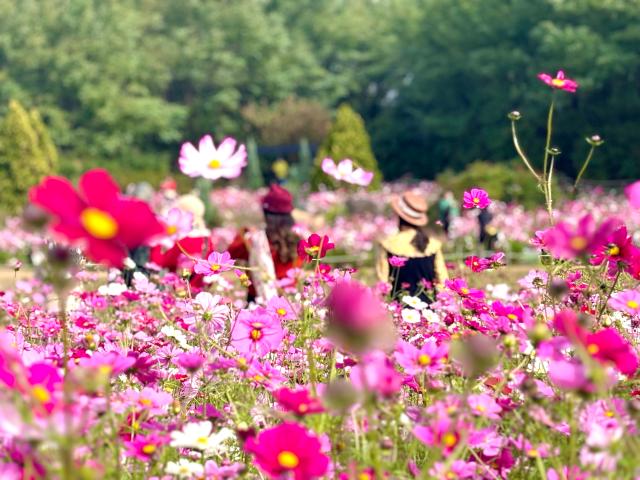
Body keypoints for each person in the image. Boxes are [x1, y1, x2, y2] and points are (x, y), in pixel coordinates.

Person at [228, 184, 302, 302]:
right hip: (289, 301)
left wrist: (243, 232)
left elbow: (231, 253)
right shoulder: (298, 242)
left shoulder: (255, 240)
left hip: (257, 302)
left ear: (266, 213)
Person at [376, 191, 448, 301]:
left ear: (399, 216)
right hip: (429, 311)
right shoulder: (432, 245)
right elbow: (443, 281)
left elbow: (382, 284)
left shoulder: (389, 245)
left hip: (400, 310)